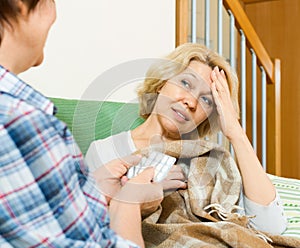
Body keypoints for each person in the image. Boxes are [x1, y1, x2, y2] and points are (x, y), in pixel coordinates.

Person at [0, 0, 163, 248]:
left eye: (207, 98)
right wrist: (127, 201)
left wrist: (95, 190)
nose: (192, 100)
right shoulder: (22, 122)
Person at [85, 42, 288, 235]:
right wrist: (135, 198)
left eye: (206, 100)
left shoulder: (210, 161)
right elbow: (86, 227)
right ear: (161, 83)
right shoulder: (105, 151)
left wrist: (235, 131)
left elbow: (271, 227)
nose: (191, 102)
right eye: (185, 83)